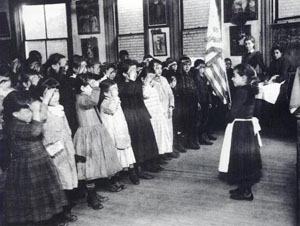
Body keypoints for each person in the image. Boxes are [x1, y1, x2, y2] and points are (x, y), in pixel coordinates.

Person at [3, 90, 68, 226]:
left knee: (45, 198)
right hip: (28, 168)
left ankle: (47, 221)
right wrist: (36, 111)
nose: (32, 113)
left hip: (39, 162)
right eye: (27, 111)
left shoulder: (23, 120)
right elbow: (35, 131)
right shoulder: (13, 125)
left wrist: (44, 102)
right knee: (34, 202)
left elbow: (42, 117)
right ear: (15, 114)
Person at [73, 73, 123, 210]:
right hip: (88, 136)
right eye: (91, 85)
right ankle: (92, 197)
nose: (94, 87)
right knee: (90, 168)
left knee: (95, 166)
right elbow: (93, 101)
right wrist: (96, 87)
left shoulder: (85, 96)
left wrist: (94, 86)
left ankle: (92, 194)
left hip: (96, 132)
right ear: (83, 87)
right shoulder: (81, 98)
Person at [218, 63, 262, 201]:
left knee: (242, 160)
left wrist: (228, 113)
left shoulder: (241, 91)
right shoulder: (248, 89)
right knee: (244, 159)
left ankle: (247, 192)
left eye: (234, 76)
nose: (232, 78)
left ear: (243, 78)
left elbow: (232, 115)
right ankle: (243, 188)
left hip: (241, 129)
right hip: (247, 127)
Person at [38, 78, 78, 223]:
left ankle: (66, 209)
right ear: (43, 97)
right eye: (51, 94)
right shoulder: (43, 112)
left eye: (57, 92)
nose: (56, 96)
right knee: (57, 181)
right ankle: (58, 214)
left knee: (67, 178)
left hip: (65, 147)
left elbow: (66, 128)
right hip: (53, 150)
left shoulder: (59, 109)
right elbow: (42, 128)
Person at [118, 59, 160, 176]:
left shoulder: (136, 83)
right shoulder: (121, 85)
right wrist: (131, 81)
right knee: (136, 141)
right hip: (130, 115)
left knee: (147, 138)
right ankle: (138, 169)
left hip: (140, 113)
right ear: (124, 74)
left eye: (136, 70)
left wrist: (146, 115)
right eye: (132, 70)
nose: (136, 72)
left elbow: (140, 98)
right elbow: (128, 94)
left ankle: (148, 164)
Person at [99, 79, 138, 184]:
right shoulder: (105, 103)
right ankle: (115, 176)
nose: (117, 91)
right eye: (114, 89)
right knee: (116, 152)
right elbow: (111, 110)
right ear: (106, 93)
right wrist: (115, 99)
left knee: (127, 149)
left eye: (116, 88)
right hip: (112, 132)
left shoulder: (116, 100)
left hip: (120, 129)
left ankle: (132, 171)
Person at [176, 56, 200, 149]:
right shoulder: (178, 76)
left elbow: (195, 89)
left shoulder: (191, 75)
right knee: (185, 123)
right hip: (183, 102)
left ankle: (192, 141)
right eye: (185, 65)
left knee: (193, 122)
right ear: (181, 66)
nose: (187, 67)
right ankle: (185, 143)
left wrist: (197, 102)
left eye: (189, 65)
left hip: (192, 101)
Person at [192, 59, 214, 145]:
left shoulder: (204, 77)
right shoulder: (195, 78)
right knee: (198, 121)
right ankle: (197, 139)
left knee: (205, 120)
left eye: (203, 68)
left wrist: (209, 101)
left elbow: (207, 90)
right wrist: (197, 102)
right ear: (197, 68)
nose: (202, 70)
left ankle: (203, 136)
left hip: (205, 101)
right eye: (200, 68)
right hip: (199, 102)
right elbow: (196, 91)